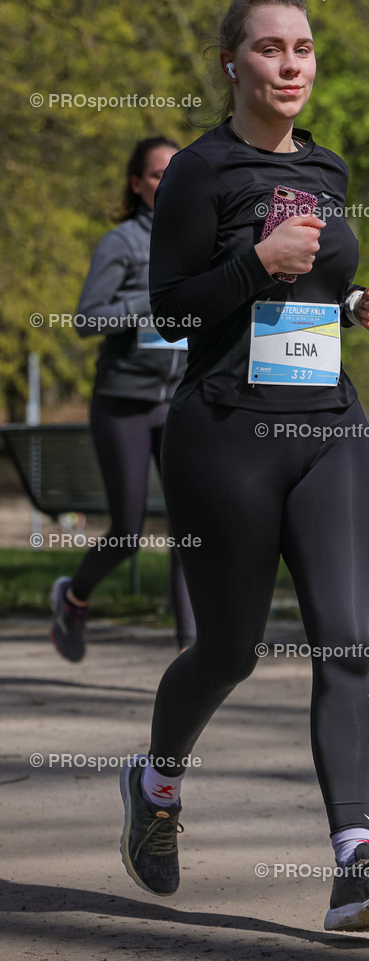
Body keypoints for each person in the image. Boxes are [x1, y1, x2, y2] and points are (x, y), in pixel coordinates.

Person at [118, 0, 369, 933]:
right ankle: (157, 784)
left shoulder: (330, 169)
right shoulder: (198, 173)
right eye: (268, 49)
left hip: (328, 424)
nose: (290, 64)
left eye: (303, 47)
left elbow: (304, 299)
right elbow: (171, 313)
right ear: (231, 64)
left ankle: (356, 860)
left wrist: (352, 311)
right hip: (224, 435)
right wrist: (257, 262)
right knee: (229, 649)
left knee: (347, 641)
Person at [50, 137, 196, 662]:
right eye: (157, 175)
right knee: (128, 530)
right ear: (137, 184)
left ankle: (189, 654)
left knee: (190, 529)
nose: (168, 183)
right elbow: (88, 318)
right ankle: (73, 599)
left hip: (181, 401)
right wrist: (152, 300)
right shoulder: (122, 243)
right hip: (124, 402)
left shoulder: (198, 241)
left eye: (176, 173)